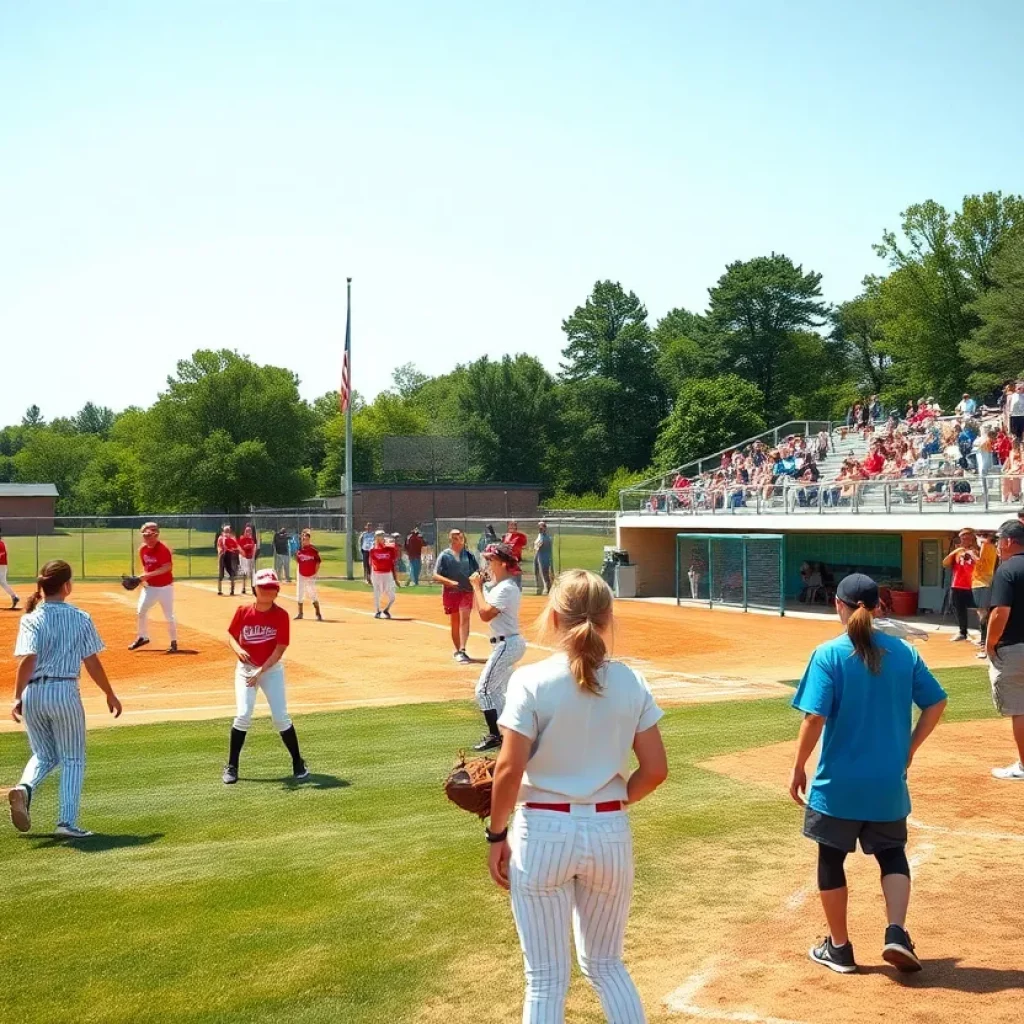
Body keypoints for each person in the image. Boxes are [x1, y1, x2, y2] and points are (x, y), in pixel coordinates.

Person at [486, 569, 668, 1022]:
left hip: (542, 831)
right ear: (607, 617)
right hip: (609, 832)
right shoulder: (630, 681)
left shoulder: (530, 681)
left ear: (553, 614)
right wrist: (617, 799)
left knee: (546, 978)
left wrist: (496, 834)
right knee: (607, 965)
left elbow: (508, 770)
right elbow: (656, 770)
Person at [789, 573, 947, 975]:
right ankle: (896, 931)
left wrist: (797, 767)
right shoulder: (904, 653)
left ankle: (839, 948)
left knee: (831, 857)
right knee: (892, 853)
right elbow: (936, 702)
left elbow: (814, 718)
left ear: (838, 606)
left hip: (837, 785)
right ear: (879, 608)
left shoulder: (828, 654)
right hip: (886, 783)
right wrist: (908, 749)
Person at [7, 560, 123, 839]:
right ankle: (66, 822)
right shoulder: (80, 617)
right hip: (64, 691)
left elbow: (28, 659)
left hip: (33, 692)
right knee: (73, 758)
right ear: (67, 586)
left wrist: (16, 697)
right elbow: (91, 662)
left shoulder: (30, 618)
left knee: (44, 754)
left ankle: (24, 789)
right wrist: (109, 693)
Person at [222, 568, 308, 785]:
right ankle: (232, 766)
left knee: (281, 718)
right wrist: (237, 649)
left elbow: (280, 649)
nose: (268, 591)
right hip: (246, 671)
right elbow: (231, 635)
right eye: (263, 587)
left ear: (277, 591)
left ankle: (298, 762)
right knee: (243, 714)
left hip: (271, 671)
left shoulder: (281, 615)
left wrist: (262, 670)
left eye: (272, 588)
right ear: (255, 589)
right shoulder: (243, 611)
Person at [468, 543, 526, 751]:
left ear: (503, 563)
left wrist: (476, 586)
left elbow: (485, 614)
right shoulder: (498, 587)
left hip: (507, 644)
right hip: (504, 643)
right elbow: (485, 607)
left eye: (491, 560)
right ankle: (508, 733)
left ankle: (495, 735)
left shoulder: (507, 588)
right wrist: (481, 585)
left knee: (483, 690)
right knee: (501, 692)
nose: (487, 564)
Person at [984, 519, 1024, 779]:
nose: (997, 546)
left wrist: (989, 642)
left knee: (1020, 709)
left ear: (1009, 541)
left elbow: (1001, 612)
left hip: (1014, 649)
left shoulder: (1007, 570)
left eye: (999, 541)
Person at [128, 522, 179, 654]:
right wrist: (141, 579)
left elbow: (167, 567)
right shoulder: (143, 549)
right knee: (141, 611)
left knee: (169, 616)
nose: (147, 538)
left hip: (165, 587)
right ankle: (142, 637)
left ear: (156, 535)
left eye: (150, 535)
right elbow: (147, 567)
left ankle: (173, 642)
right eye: (145, 535)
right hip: (150, 587)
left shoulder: (163, 549)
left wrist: (146, 576)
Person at [433, 528, 479, 664]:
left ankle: (463, 649)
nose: (457, 538)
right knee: (455, 620)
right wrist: (449, 582)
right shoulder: (445, 555)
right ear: (450, 539)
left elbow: (476, 571)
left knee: (465, 618)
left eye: (459, 536)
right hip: (451, 592)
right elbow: (435, 575)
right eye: (454, 537)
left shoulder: (469, 556)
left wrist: (478, 577)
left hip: (466, 591)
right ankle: (457, 649)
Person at [942, 529, 978, 642]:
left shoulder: (977, 550)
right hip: (957, 584)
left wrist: (971, 554)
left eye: (968, 538)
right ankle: (963, 632)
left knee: (980, 609)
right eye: (963, 538)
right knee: (958, 608)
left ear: (972, 539)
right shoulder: (958, 551)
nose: (965, 540)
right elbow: (945, 563)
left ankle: (983, 634)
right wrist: (956, 551)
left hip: (973, 585)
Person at [972, 531, 998, 659]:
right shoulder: (992, 547)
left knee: (983, 616)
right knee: (982, 614)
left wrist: (972, 555)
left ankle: (984, 647)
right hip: (982, 583)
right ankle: (984, 642)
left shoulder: (986, 546)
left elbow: (980, 563)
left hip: (981, 584)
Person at [294, 529, 323, 622]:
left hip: (311, 575)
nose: (305, 541)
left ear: (309, 540)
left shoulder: (313, 550)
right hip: (301, 573)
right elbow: (298, 561)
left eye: (306, 539)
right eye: (303, 539)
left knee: (312, 592)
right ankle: (300, 613)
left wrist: (315, 573)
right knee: (300, 592)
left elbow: (318, 562)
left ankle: (318, 613)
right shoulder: (299, 550)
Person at [369, 529, 399, 619]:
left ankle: (386, 610)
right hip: (376, 574)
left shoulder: (390, 549)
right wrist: (369, 576)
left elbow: (393, 563)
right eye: (378, 536)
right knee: (377, 593)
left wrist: (395, 578)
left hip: (387, 574)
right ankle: (377, 611)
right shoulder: (372, 550)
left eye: (382, 536)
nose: (380, 538)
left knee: (392, 597)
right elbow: (371, 563)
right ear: (376, 538)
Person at [502, 521, 529, 591]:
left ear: (516, 526)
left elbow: (524, 544)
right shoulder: (505, 536)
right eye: (510, 525)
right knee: (508, 580)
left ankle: (518, 593)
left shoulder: (521, 536)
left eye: (513, 525)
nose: (511, 527)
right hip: (507, 560)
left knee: (517, 580)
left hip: (516, 561)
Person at [216, 525, 240, 597]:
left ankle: (232, 590)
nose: (227, 532)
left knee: (231, 573)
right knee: (221, 573)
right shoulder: (221, 538)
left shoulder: (232, 539)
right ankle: (219, 590)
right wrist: (223, 549)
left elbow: (235, 547)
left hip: (229, 557)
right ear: (223, 531)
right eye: (226, 531)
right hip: (222, 556)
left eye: (228, 531)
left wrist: (233, 549)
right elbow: (220, 545)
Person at [0, 526, 20, 609]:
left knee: (3, 582)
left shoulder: (0, 544)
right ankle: (14, 597)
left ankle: (14, 597)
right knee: (3, 582)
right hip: (2, 565)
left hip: (1, 565)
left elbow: (1, 554)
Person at [533, 521, 554, 595]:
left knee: (545, 573)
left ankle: (548, 588)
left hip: (544, 557)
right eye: (539, 527)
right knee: (538, 573)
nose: (540, 528)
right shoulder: (540, 535)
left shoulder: (546, 537)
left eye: (542, 527)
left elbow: (539, 546)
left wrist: (537, 545)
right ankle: (540, 588)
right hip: (538, 556)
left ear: (545, 528)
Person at [237, 525, 257, 596]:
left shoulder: (252, 539)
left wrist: (253, 556)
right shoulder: (242, 538)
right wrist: (244, 550)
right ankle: (243, 587)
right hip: (244, 558)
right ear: (244, 532)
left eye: (250, 531)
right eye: (247, 531)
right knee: (244, 573)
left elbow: (254, 547)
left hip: (251, 558)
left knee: (252, 573)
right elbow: (239, 548)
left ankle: (253, 588)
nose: (248, 532)